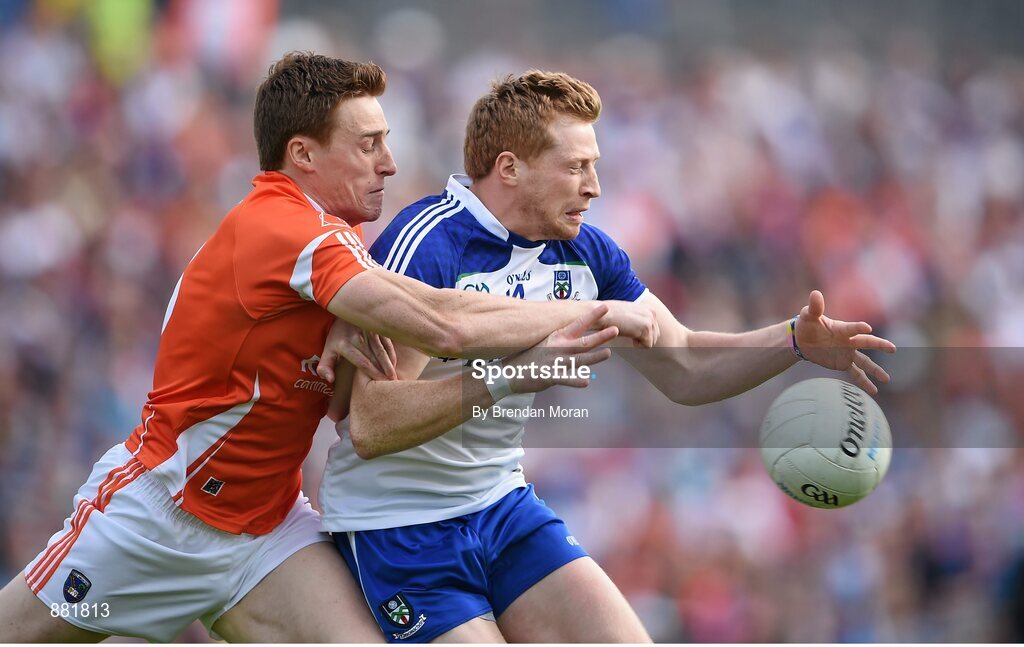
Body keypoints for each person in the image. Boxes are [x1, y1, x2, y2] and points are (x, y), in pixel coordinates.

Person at [0, 55, 658, 643]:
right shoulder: (287, 229)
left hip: (266, 533)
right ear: (303, 154)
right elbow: (445, 325)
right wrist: (597, 311)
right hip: (157, 513)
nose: (390, 163)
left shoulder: (333, 242)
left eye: (387, 143)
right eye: (369, 144)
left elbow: (396, 349)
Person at [316, 70, 897, 643]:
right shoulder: (430, 244)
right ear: (510, 168)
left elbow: (686, 365)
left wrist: (794, 339)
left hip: (499, 504)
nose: (593, 187)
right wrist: (511, 378)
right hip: (399, 527)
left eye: (594, 166)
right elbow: (372, 422)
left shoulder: (586, 252)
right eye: (575, 168)